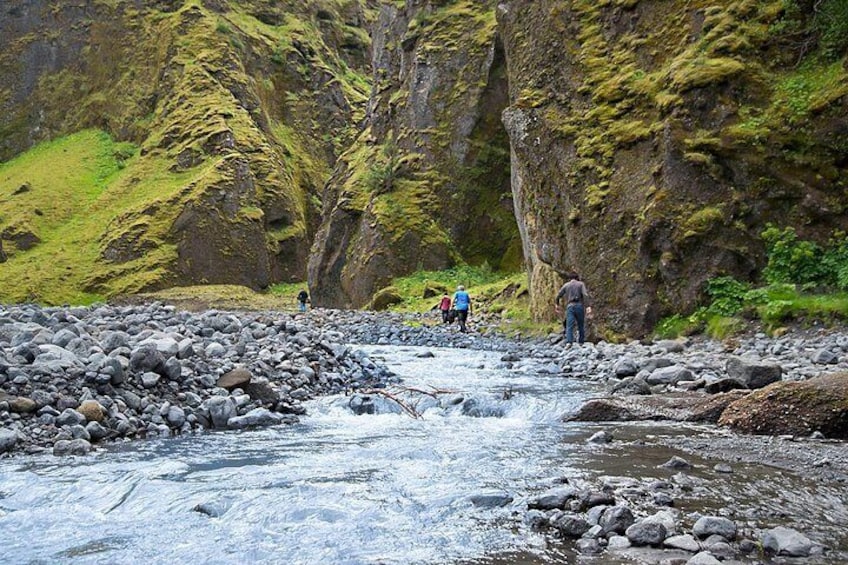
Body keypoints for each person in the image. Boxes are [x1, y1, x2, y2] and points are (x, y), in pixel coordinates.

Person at [554, 272, 591, 345]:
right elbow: (585, 295)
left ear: (569, 278)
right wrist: (588, 306)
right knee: (581, 324)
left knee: (569, 325)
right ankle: (581, 342)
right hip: (579, 305)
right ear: (577, 277)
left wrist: (557, 305)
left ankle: (569, 342)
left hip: (570, 306)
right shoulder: (581, 284)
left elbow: (558, 295)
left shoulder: (566, 285)